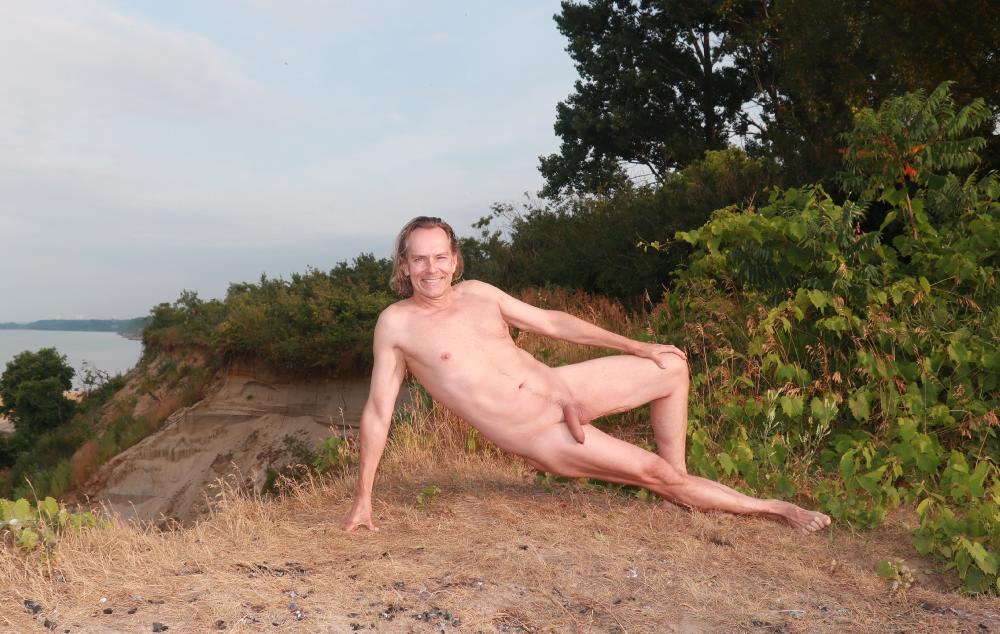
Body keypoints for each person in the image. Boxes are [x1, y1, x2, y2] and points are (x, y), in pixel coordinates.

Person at [341, 216, 831, 535]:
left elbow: (553, 323)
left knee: (671, 367)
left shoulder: (479, 293)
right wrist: (364, 498)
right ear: (404, 265)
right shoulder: (397, 325)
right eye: (419, 259)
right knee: (656, 476)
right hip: (541, 432)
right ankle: (776, 509)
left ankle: (678, 492)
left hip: (565, 387)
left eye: (439, 257)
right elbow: (379, 412)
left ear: (454, 259)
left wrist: (637, 345)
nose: (431, 268)